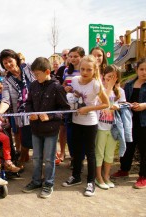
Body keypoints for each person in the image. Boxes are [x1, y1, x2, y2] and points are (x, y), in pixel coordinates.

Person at [62, 55, 109, 197]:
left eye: (89, 69)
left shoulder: (96, 84)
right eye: (82, 69)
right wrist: (68, 90)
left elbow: (106, 104)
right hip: (76, 121)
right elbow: (70, 92)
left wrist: (87, 109)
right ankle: (76, 176)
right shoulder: (75, 80)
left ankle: (91, 182)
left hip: (90, 123)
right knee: (76, 151)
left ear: (95, 70)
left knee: (90, 153)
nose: (85, 72)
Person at [22, 57, 70, 198]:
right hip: (35, 129)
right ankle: (36, 181)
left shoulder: (57, 87)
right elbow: (28, 102)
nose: (35, 77)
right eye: (34, 74)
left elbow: (64, 109)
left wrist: (50, 116)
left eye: (37, 74)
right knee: (36, 157)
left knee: (49, 159)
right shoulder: (34, 85)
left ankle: (48, 183)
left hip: (50, 130)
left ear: (47, 71)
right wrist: (30, 113)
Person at [111, 58, 146, 189]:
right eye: (141, 69)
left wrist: (143, 105)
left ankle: (143, 176)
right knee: (128, 146)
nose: (144, 72)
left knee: (144, 150)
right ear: (136, 70)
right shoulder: (130, 84)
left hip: (144, 123)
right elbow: (123, 100)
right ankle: (124, 169)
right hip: (130, 121)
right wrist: (128, 105)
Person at [0, 49, 35, 170]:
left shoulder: (29, 68)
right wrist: (0, 112)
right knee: (25, 139)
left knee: (41, 137)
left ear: (16, 60)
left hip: (38, 108)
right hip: (22, 113)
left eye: (10, 61)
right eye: (5, 63)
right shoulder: (6, 80)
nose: (8, 64)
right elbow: (6, 100)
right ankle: (22, 159)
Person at [95, 65, 126, 190]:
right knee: (99, 153)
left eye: (114, 77)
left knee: (109, 154)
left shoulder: (120, 91)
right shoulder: (100, 89)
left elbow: (124, 106)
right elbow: (101, 103)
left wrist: (118, 106)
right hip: (100, 127)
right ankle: (98, 177)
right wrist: (108, 87)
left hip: (113, 127)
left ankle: (106, 175)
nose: (111, 79)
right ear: (104, 76)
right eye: (109, 76)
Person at [63, 46, 85, 167]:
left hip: (82, 106)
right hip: (69, 106)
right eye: (70, 56)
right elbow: (64, 84)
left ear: (82, 57)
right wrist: (65, 88)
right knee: (70, 134)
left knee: (80, 134)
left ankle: (80, 159)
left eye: (76, 56)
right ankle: (74, 158)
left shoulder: (85, 70)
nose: (73, 59)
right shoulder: (67, 71)